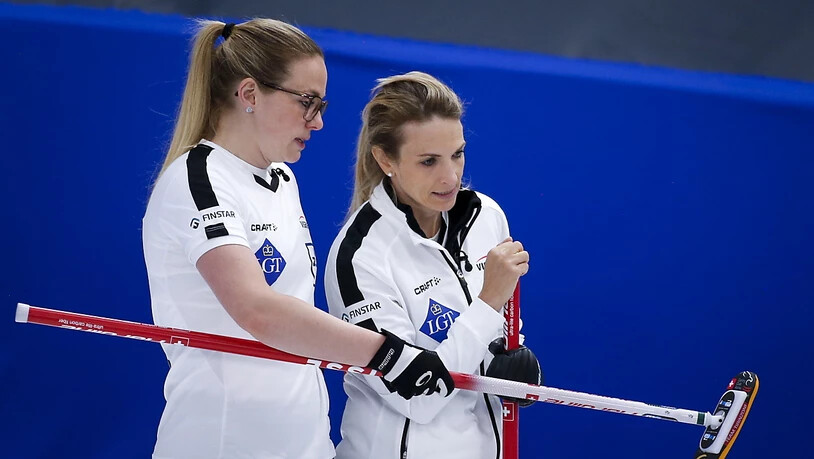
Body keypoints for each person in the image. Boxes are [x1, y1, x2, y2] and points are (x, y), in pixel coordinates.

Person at [142, 20, 454, 459]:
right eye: (307, 102)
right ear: (249, 94)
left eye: (321, 104)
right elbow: (258, 309)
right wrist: (386, 353)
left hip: (303, 444)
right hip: (222, 445)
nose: (319, 122)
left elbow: (293, 320)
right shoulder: (199, 181)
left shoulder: (282, 179)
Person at [324, 71, 541, 459]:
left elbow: (500, 333)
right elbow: (417, 396)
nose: (450, 176)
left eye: (457, 154)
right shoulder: (359, 258)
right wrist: (489, 302)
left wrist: (515, 360)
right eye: (428, 161)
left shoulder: (485, 215)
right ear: (384, 158)